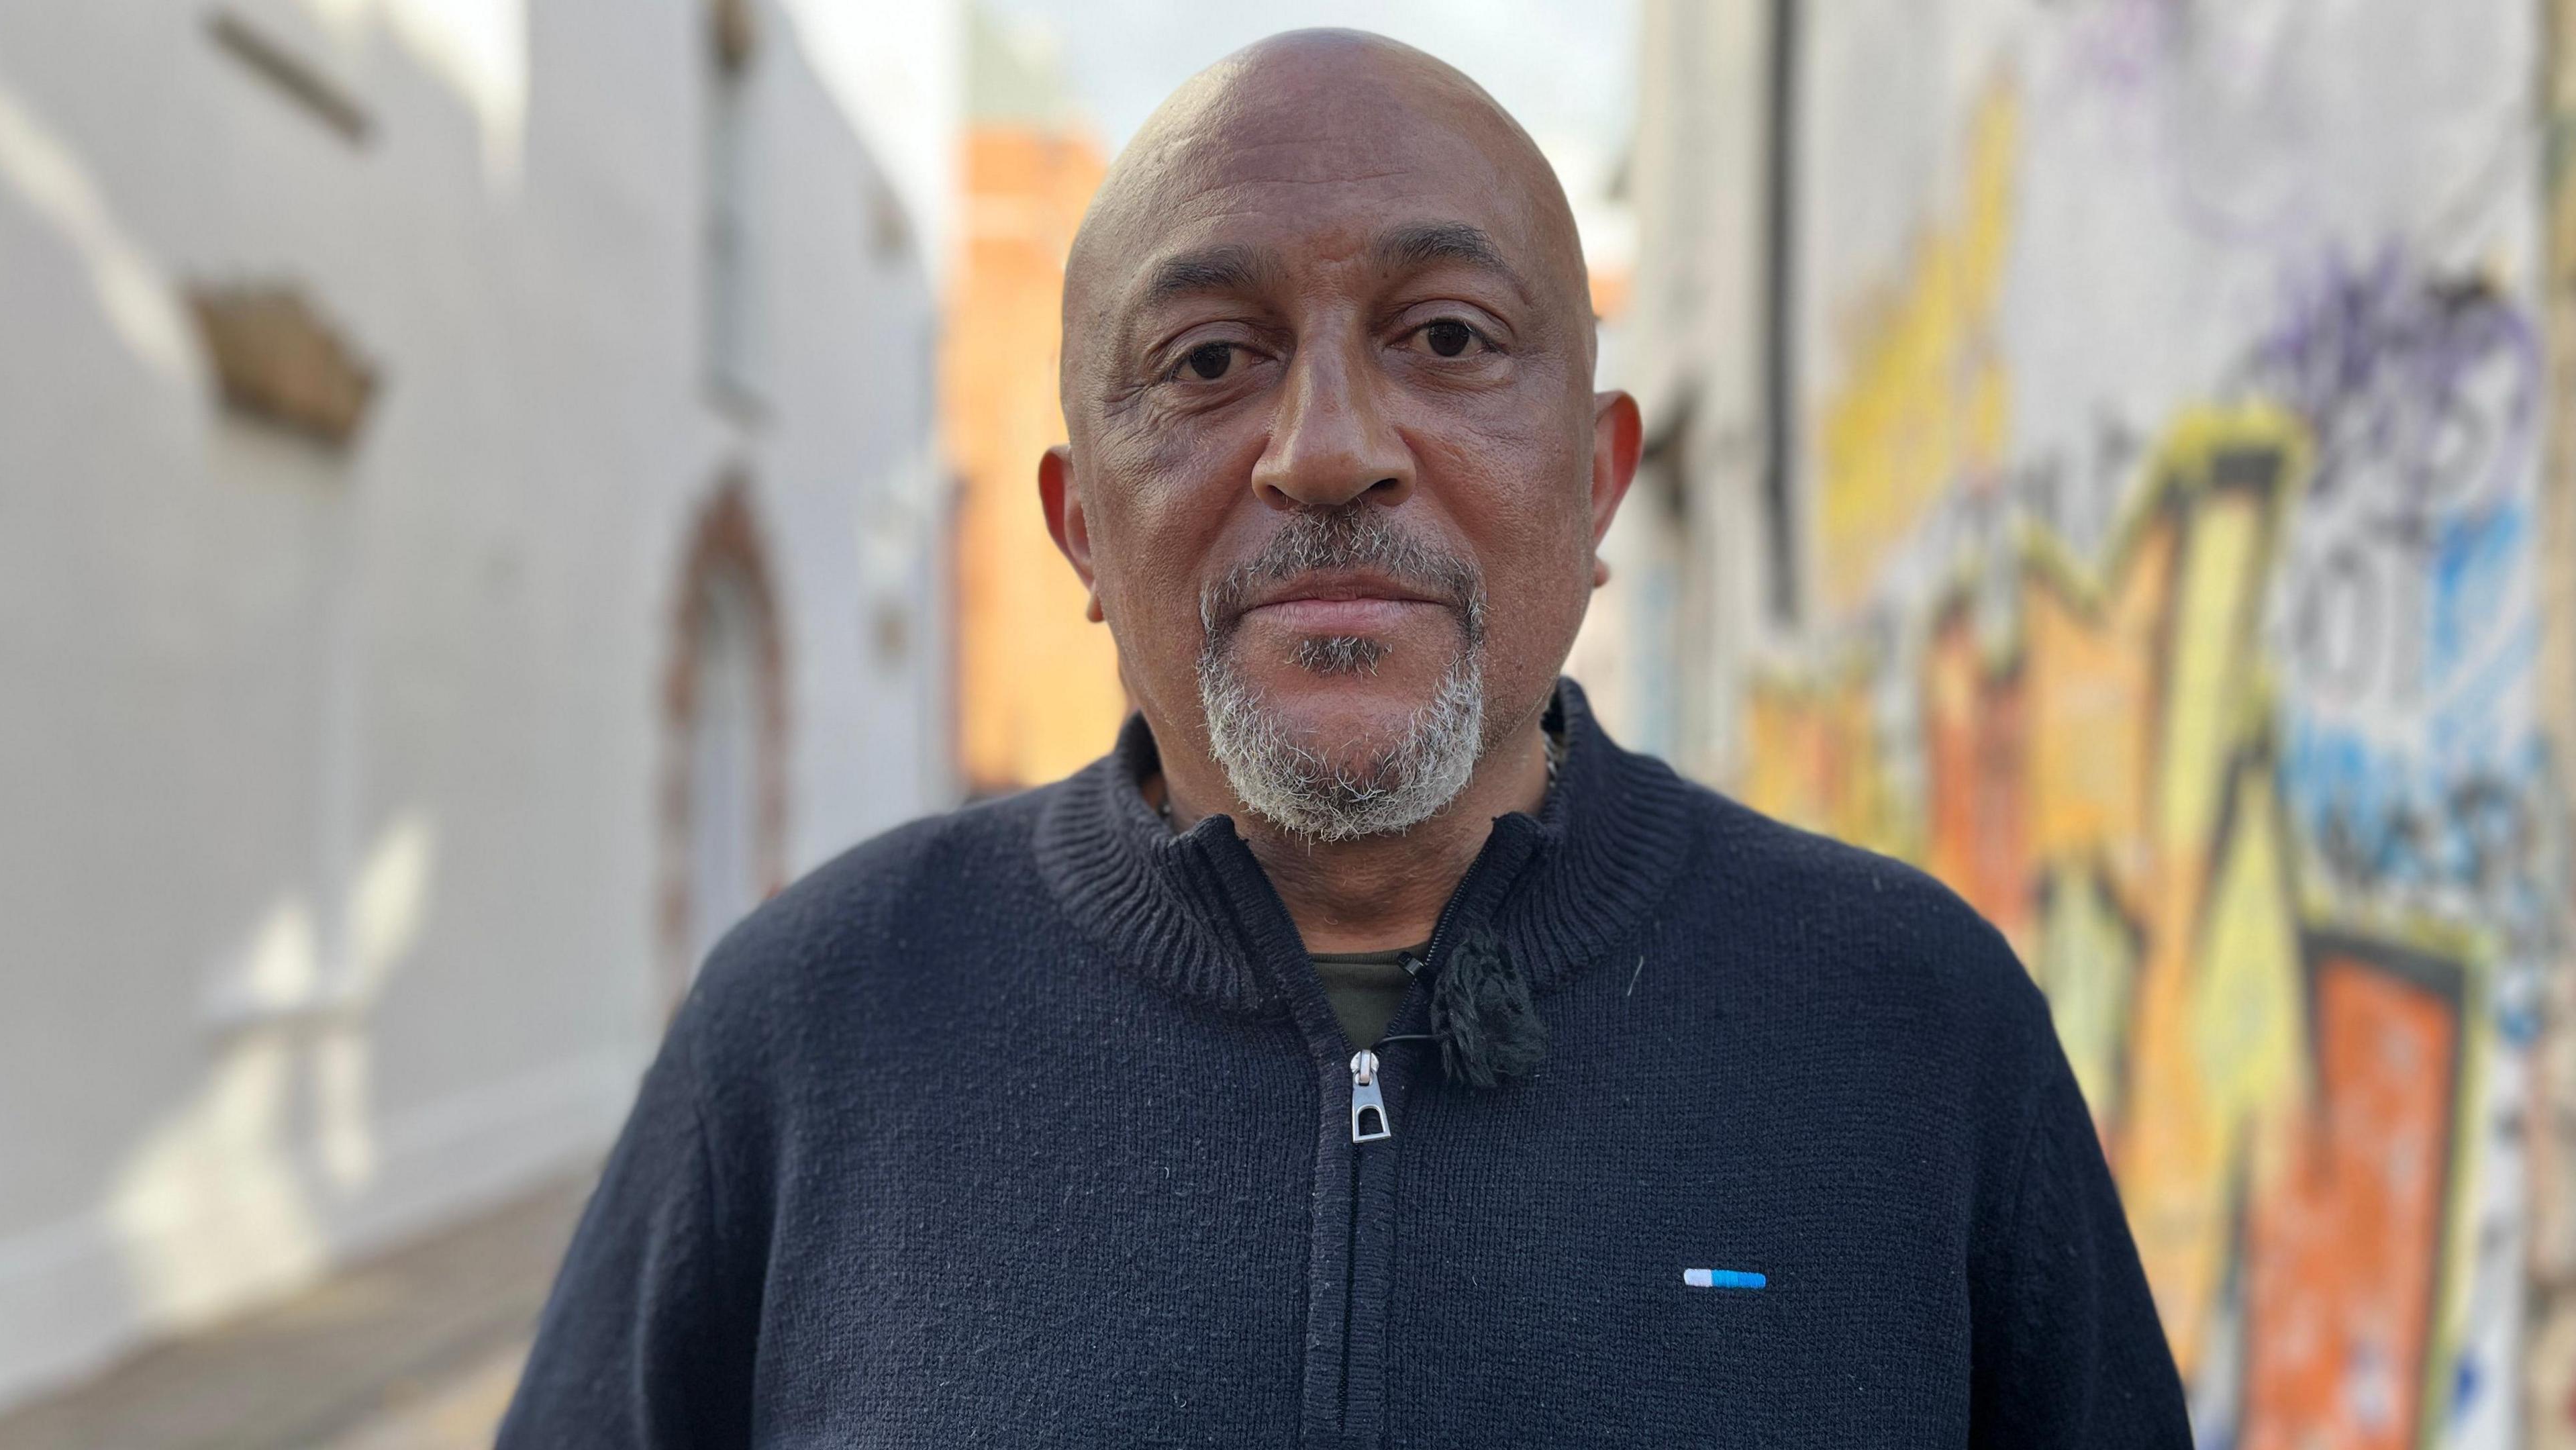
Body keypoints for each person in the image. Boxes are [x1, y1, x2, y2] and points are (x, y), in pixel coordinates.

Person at [500, 29, 2189, 1447]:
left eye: (1446, 338)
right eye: (1211, 359)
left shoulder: (1911, 1028)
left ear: (1599, 483)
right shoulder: (810, 1034)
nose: (1325, 451)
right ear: (1082, 523)